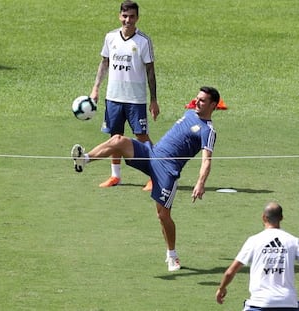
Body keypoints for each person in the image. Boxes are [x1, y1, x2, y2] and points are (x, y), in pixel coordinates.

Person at [71, 86, 220, 271]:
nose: (197, 102)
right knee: (118, 140)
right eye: (197, 98)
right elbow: (195, 104)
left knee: (163, 215)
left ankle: (172, 255)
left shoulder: (208, 131)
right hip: (151, 153)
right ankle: (84, 160)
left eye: (203, 100)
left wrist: (200, 183)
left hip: (167, 171)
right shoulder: (190, 112)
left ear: (213, 105)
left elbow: (207, 160)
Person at [90, 0, 160, 189]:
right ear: (119, 16)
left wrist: (154, 100)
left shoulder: (143, 41)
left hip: (135, 99)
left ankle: (156, 174)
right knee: (115, 137)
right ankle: (115, 176)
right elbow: (104, 63)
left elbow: (150, 71)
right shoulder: (110, 37)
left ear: (137, 18)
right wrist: (95, 88)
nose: (128, 20)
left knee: (142, 136)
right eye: (125, 16)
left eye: (132, 16)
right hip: (113, 97)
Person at [216, 201, 299, 310]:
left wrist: (221, 288)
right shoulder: (293, 241)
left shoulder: (254, 241)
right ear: (281, 218)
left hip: (260, 303)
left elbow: (230, 272)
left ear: (264, 217)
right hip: (289, 303)